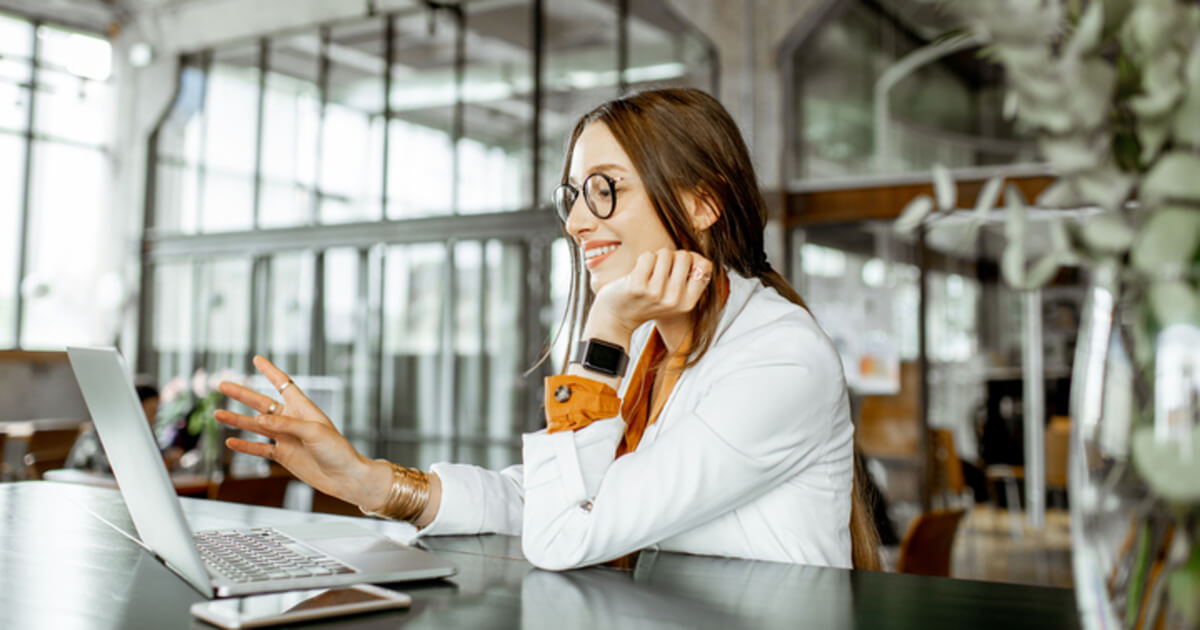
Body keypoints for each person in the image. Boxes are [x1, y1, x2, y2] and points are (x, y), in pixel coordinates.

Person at [216, 88, 880, 571]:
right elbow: (555, 495)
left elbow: (565, 534)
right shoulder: (654, 345)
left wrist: (607, 324)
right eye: (572, 195)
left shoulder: (780, 359)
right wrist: (372, 483)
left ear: (701, 203)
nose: (576, 220)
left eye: (605, 188)